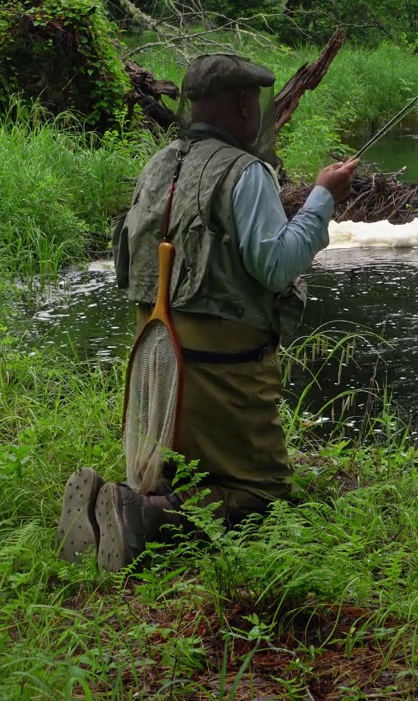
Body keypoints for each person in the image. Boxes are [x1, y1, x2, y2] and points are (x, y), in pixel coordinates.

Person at [56, 53, 360, 571]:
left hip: (155, 357)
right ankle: (137, 517)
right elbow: (277, 267)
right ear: (244, 104)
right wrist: (321, 199)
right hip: (223, 364)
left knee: (187, 470)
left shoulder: (158, 164)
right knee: (262, 493)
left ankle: (111, 502)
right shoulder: (247, 173)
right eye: (257, 101)